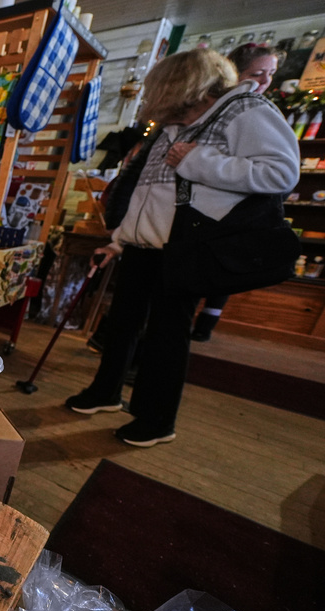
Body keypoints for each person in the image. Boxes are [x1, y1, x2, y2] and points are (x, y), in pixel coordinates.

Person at [65, 49, 300, 447]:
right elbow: (149, 192)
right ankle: (105, 392)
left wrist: (200, 161)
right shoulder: (174, 125)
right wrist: (119, 241)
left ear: (185, 88)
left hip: (185, 248)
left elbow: (281, 173)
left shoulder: (245, 109)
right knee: (121, 324)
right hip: (144, 245)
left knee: (166, 335)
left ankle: (156, 419)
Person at [191, 43, 286, 342]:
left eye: (270, 73)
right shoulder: (218, 111)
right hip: (207, 208)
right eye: (257, 73)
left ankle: (205, 324)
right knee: (194, 275)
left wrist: (198, 161)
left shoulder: (261, 112)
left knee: (222, 271)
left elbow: (278, 173)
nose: (265, 81)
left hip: (239, 209)